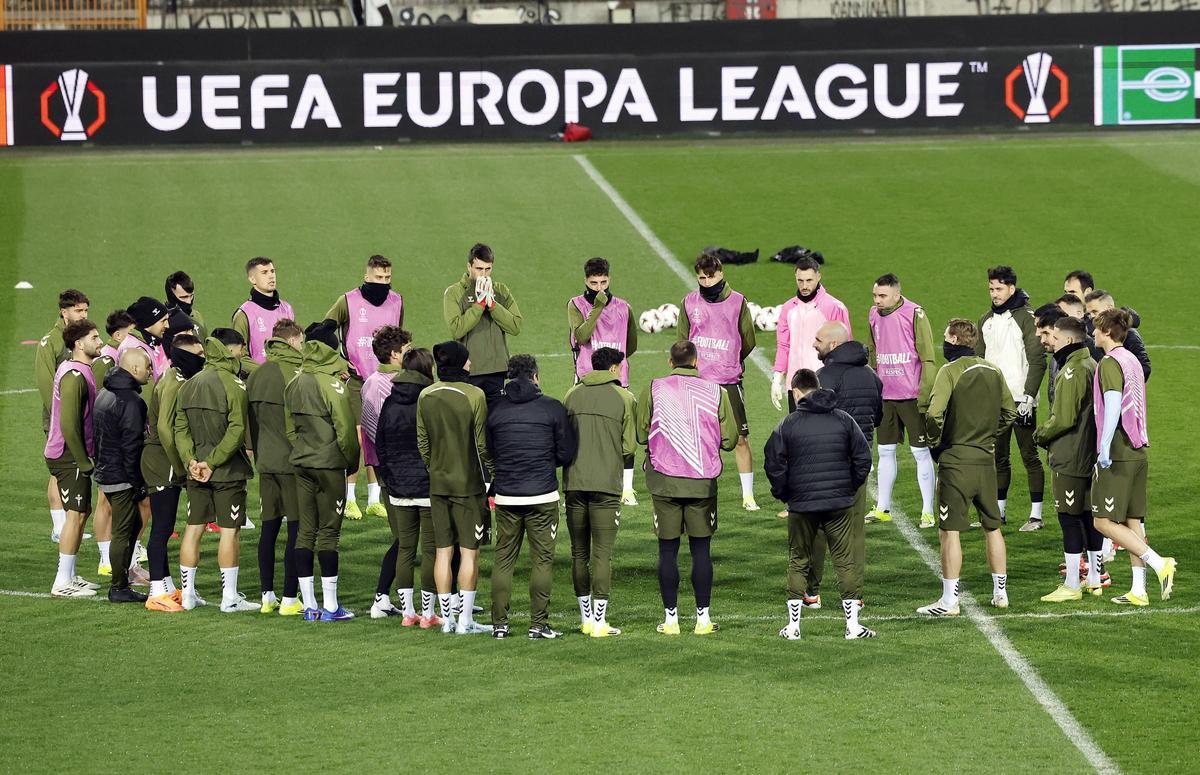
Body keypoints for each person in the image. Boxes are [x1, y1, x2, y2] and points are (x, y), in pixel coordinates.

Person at [637, 341, 738, 636]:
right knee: (701, 550)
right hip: (701, 483)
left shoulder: (654, 388)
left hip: (664, 481)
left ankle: (671, 621)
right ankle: (703, 620)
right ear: (696, 361)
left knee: (667, 551)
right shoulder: (715, 391)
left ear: (670, 362)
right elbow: (730, 440)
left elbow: (642, 433)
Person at [764, 369, 874, 640]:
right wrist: (848, 486)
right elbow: (864, 458)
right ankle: (853, 627)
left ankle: (792, 628)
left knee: (799, 560)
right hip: (839, 503)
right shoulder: (844, 420)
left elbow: (773, 462)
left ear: (797, 392)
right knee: (845, 562)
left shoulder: (788, 424)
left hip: (802, 505)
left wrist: (785, 493)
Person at [918, 319, 1016, 617]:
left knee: (950, 532)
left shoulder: (949, 371)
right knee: (993, 527)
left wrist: (937, 443)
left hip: (956, 462)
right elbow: (1009, 412)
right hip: (986, 460)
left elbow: (934, 414)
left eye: (946, 337)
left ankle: (949, 601)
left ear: (955, 340)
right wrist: (988, 435)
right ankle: (1000, 594)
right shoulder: (994, 370)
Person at [487, 355, 577, 640]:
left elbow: (490, 451)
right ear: (535, 376)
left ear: (509, 377)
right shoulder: (552, 408)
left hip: (507, 495)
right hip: (542, 494)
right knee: (542, 560)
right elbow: (566, 453)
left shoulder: (495, 410)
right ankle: (538, 625)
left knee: (503, 560)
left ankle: (499, 625)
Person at [1090, 309, 1177, 605]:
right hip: (1139, 448)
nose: (1093, 333)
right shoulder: (1132, 360)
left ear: (1107, 332)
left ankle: (1158, 562)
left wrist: (1103, 447)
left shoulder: (1110, 362)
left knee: (1102, 521)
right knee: (1132, 520)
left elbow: (1113, 404)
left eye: (1096, 328)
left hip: (1119, 450)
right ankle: (1139, 590)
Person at [174, 329, 258, 613]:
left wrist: (191, 461)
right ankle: (229, 598)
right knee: (229, 532)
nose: (241, 354)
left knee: (193, 529)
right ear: (229, 351)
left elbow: (180, 429)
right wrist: (212, 462)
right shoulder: (234, 385)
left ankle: (187, 596)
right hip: (227, 472)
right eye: (238, 349)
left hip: (196, 472)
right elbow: (237, 429)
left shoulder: (189, 384)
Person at [284, 323, 361, 622]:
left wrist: (303, 448)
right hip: (329, 466)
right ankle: (330, 607)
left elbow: (289, 428)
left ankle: (308, 605)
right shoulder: (333, 386)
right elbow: (345, 432)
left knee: (305, 531)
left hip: (301, 463)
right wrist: (350, 463)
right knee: (329, 533)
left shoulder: (294, 382)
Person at [417, 341, 494, 635]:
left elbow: (423, 443)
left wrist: (435, 467)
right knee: (470, 552)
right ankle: (464, 622)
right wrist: (493, 474)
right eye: (468, 360)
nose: (472, 364)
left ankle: (446, 621)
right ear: (462, 363)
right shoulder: (475, 395)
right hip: (468, 485)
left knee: (442, 552)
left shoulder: (426, 395)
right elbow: (482, 445)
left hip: (437, 484)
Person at [804, 322, 881, 610]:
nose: (814, 344)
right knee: (854, 531)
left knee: (818, 529)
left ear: (834, 345)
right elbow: (878, 416)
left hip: (825, 466)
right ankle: (854, 595)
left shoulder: (822, 377)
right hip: (858, 465)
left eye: (818, 339)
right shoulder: (872, 376)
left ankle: (811, 592)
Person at [323, 255, 405, 520]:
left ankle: (373, 498)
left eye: (387, 278)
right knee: (357, 436)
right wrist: (339, 363)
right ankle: (348, 498)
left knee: (378, 435)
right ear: (367, 276)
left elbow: (398, 338)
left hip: (385, 380)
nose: (384, 283)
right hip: (357, 381)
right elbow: (324, 332)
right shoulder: (347, 300)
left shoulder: (397, 301)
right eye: (379, 278)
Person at [563, 347, 636, 638]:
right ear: (615, 369)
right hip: (606, 485)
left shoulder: (572, 394)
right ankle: (599, 622)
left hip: (575, 484)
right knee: (602, 555)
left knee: (578, 552)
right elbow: (629, 447)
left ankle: (585, 619)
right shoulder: (623, 398)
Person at [678, 250, 759, 511]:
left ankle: (748, 496)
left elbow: (749, 340)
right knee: (697, 439)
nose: (706, 283)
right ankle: (698, 489)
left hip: (727, 381)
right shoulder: (689, 302)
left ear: (721, 274)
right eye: (701, 278)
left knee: (740, 439)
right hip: (698, 382)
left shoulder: (737, 302)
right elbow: (683, 343)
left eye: (710, 277)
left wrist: (730, 360)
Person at [1033, 316, 1106, 602]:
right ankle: (1095, 579)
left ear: (1069, 340)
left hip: (1070, 455)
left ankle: (1073, 583)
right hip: (1090, 454)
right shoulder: (1091, 364)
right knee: (1089, 516)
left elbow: (1063, 418)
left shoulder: (1073, 370)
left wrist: (1040, 435)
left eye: (1056, 337)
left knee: (1068, 517)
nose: (1052, 343)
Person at [977, 266, 1047, 532]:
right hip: (995, 400)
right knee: (999, 457)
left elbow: (1037, 360)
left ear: (1011, 288)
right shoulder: (986, 320)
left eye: (998, 289)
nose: (994, 294)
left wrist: (1029, 397)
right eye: (991, 289)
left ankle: (1036, 516)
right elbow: (979, 362)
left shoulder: (1027, 318)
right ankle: (999, 513)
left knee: (1029, 455)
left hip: (1020, 399)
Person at [863, 273, 936, 527]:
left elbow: (927, 357)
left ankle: (928, 511)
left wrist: (925, 396)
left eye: (882, 296)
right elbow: (873, 351)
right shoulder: (873, 314)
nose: (877, 300)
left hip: (912, 397)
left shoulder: (915, 313)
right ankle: (883, 507)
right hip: (886, 396)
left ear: (896, 294)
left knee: (920, 452)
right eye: (875, 295)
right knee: (885, 451)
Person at [140, 333, 205, 612]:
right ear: (184, 355)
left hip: (163, 461)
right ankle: (156, 593)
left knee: (165, 528)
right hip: (161, 462)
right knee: (162, 528)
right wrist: (180, 465)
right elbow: (165, 429)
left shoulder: (175, 377)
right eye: (198, 354)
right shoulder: (174, 382)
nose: (202, 357)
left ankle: (167, 586)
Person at [567, 257, 639, 506]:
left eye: (604, 282)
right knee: (583, 432)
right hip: (587, 378)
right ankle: (581, 483)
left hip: (619, 379)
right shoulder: (576, 305)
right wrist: (597, 308)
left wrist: (617, 364)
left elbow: (631, 344)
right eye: (594, 282)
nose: (599, 287)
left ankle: (626, 489)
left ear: (610, 279)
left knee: (623, 431)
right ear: (586, 280)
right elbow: (581, 335)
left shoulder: (623, 307)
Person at [245, 319, 306, 615]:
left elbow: (250, 424)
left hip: (266, 461)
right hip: (293, 463)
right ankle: (290, 598)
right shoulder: (295, 374)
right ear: (293, 341)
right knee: (296, 528)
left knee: (268, 529)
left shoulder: (256, 374)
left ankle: (267, 595)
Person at [376, 348, 439, 627]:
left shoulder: (390, 402)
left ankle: (407, 613)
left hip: (398, 487)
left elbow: (381, 445)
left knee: (405, 548)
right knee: (430, 549)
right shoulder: (430, 400)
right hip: (426, 486)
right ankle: (427, 614)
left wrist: (389, 480)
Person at [357, 326, 414, 618]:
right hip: (394, 471)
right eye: (407, 350)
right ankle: (382, 598)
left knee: (410, 534)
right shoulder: (380, 386)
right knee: (406, 536)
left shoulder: (384, 381)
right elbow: (378, 433)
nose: (412, 354)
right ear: (393, 354)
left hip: (397, 469)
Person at [46, 319, 104, 597]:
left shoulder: (77, 370)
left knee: (81, 513)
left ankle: (69, 574)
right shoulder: (75, 376)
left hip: (71, 453)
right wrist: (83, 461)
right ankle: (61, 581)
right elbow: (69, 424)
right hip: (69, 455)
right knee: (76, 514)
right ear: (79, 344)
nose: (100, 341)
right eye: (94, 337)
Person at [93, 349, 152, 603]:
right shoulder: (131, 401)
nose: (151, 371)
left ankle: (122, 580)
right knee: (123, 530)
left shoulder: (104, 394)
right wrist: (138, 482)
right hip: (123, 475)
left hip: (107, 470)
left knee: (131, 526)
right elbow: (132, 445)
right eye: (148, 367)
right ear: (135, 370)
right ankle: (119, 586)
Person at [36, 289, 90, 544]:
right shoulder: (51, 342)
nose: (83, 315)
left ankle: (68, 522)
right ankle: (59, 527)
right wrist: (59, 419)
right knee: (59, 470)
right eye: (78, 310)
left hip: (80, 417)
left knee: (71, 469)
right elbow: (46, 384)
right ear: (63, 311)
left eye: (85, 310)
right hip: (59, 418)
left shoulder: (81, 338)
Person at [443, 243, 522, 406]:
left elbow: (515, 326)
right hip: (469, 370)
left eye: (488, 269)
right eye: (479, 268)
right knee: (470, 422)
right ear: (469, 266)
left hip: (497, 371)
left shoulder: (501, 291)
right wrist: (479, 305)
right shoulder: (454, 293)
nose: (483, 274)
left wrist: (493, 305)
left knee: (495, 422)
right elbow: (457, 329)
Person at [770, 254, 852, 411]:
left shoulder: (834, 307)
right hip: (796, 385)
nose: (804, 286)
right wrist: (777, 376)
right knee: (798, 432)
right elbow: (783, 345)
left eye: (809, 280)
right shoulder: (788, 308)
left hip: (824, 384)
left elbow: (844, 348)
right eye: (800, 280)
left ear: (818, 277)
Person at [233, 257, 295, 367]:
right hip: (258, 380)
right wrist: (264, 374)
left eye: (272, 271)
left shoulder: (287, 309)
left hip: (287, 378)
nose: (271, 276)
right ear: (252, 279)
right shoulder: (244, 314)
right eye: (264, 272)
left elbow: (294, 347)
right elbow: (239, 355)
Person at [1084, 290, 1151, 381]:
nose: (1092, 317)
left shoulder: (1129, 334)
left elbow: (1144, 369)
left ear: (1110, 308)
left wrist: (1119, 383)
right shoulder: (1090, 329)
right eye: (1089, 313)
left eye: (1095, 312)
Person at [118, 296, 171, 381]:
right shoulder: (134, 349)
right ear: (149, 322)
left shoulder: (153, 342)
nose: (167, 325)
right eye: (163, 321)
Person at [165, 269, 207, 341]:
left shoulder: (197, 316)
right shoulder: (163, 322)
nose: (189, 301)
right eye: (184, 297)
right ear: (171, 297)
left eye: (191, 296)